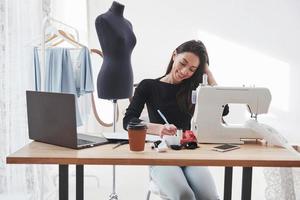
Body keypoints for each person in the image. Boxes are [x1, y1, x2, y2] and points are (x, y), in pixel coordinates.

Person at [123, 40, 224, 200]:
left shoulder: (195, 89)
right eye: (183, 63)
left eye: (192, 69)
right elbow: (128, 121)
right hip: (161, 154)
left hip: (190, 153)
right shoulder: (148, 86)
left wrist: (208, 73)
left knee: (209, 197)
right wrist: (158, 128)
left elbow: (223, 109)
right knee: (185, 196)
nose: (185, 71)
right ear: (174, 55)